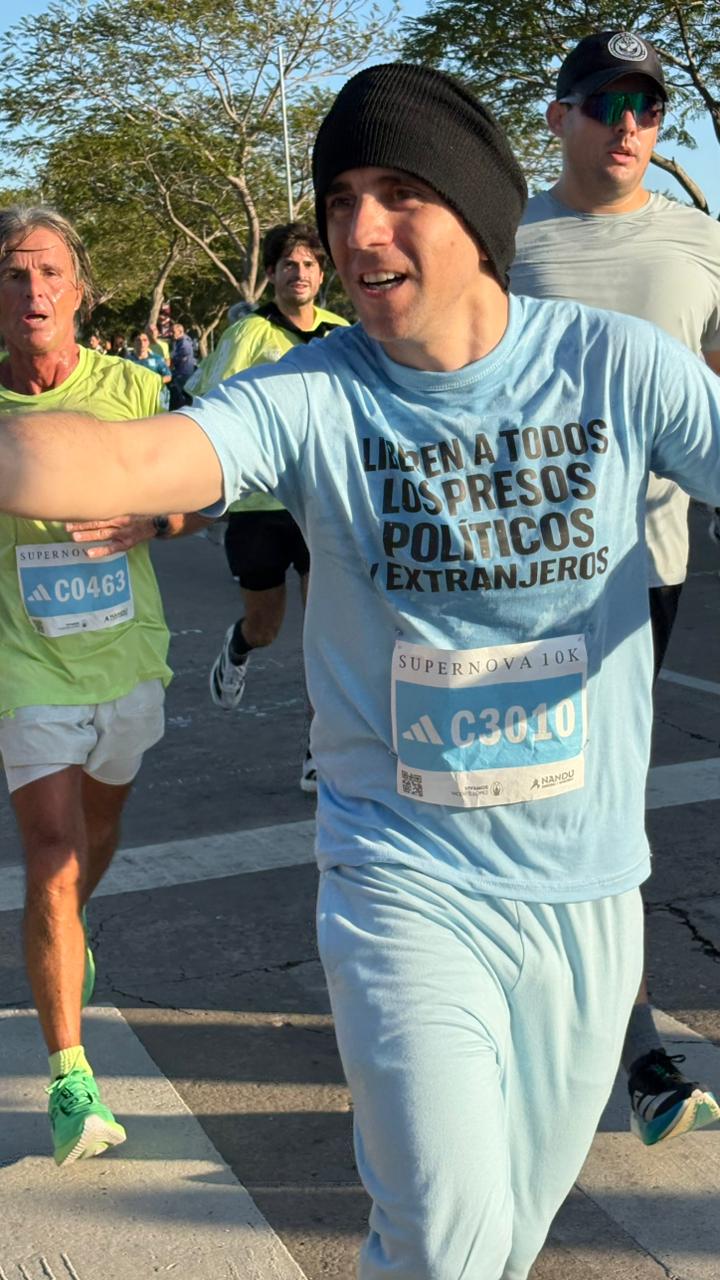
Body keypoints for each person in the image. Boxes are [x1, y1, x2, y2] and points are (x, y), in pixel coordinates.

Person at [3, 64, 720, 1277]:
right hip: (401, 874)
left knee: (503, 1237)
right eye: (340, 199)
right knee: (441, 1233)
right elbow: (119, 462)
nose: (358, 230)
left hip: (586, 882)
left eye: (398, 193)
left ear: (477, 209)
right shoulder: (315, 393)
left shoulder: (615, 365)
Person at [510, 28, 720, 1146]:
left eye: (646, 106)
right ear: (559, 118)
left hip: (651, 567)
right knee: (527, 795)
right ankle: (570, 1023)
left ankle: (630, 1049)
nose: (629, 124)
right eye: (604, 102)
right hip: (515, 570)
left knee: (605, 804)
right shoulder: (505, 236)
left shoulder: (700, 239)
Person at [0, 205, 180, 1169]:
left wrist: (155, 521)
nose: (32, 291)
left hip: (125, 656)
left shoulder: (135, 389)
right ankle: (71, 1080)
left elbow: (204, 493)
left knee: (96, 838)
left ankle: (65, 937)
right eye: (13, 274)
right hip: (25, 663)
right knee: (54, 858)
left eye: (49, 274)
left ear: (79, 291)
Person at [187, 221, 347, 793]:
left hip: (322, 501)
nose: (299, 273)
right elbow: (211, 407)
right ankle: (238, 646)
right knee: (267, 626)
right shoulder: (249, 334)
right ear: (273, 274)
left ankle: (318, 749)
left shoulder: (342, 333)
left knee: (326, 633)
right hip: (259, 507)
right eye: (289, 264)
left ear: (321, 275)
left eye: (308, 264)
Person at [128, 330, 171, 406]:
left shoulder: (157, 359)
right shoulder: (127, 361)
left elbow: (168, 376)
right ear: (133, 343)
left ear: (149, 342)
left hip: (153, 398)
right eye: (138, 340)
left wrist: (153, 382)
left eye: (145, 340)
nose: (142, 343)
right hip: (133, 398)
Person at [169, 320, 196, 408]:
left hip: (183, 373)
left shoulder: (184, 343)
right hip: (181, 373)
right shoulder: (179, 341)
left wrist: (170, 361)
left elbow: (178, 358)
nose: (171, 334)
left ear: (180, 332)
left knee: (183, 397)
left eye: (173, 332)